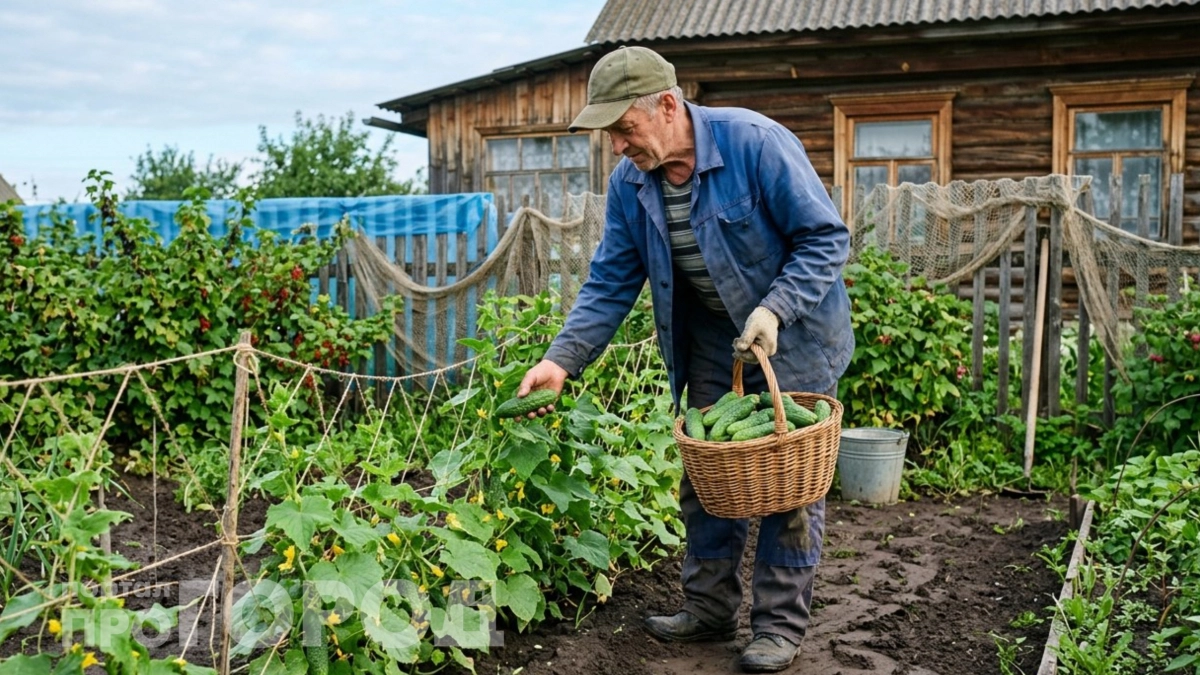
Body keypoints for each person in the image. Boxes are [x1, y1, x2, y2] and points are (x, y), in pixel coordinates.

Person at [512, 45, 853, 673]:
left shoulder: (756, 144)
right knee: (706, 476)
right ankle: (708, 607)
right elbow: (612, 279)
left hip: (794, 335)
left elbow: (826, 238)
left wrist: (775, 309)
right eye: (611, 134)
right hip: (708, 343)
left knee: (788, 487)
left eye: (624, 129)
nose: (618, 146)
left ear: (667, 106)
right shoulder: (631, 183)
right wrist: (562, 360)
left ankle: (777, 627)